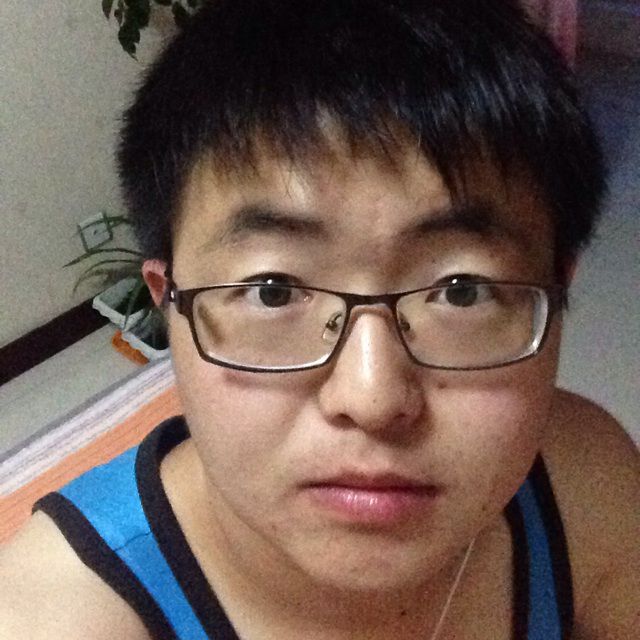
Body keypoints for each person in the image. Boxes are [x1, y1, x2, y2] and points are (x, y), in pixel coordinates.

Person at [1, 1, 638, 638]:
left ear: (559, 292)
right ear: (167, 301)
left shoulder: (583, 483)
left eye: (462, 291)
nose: (372, 398)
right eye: (273, 291)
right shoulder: (55, 618)